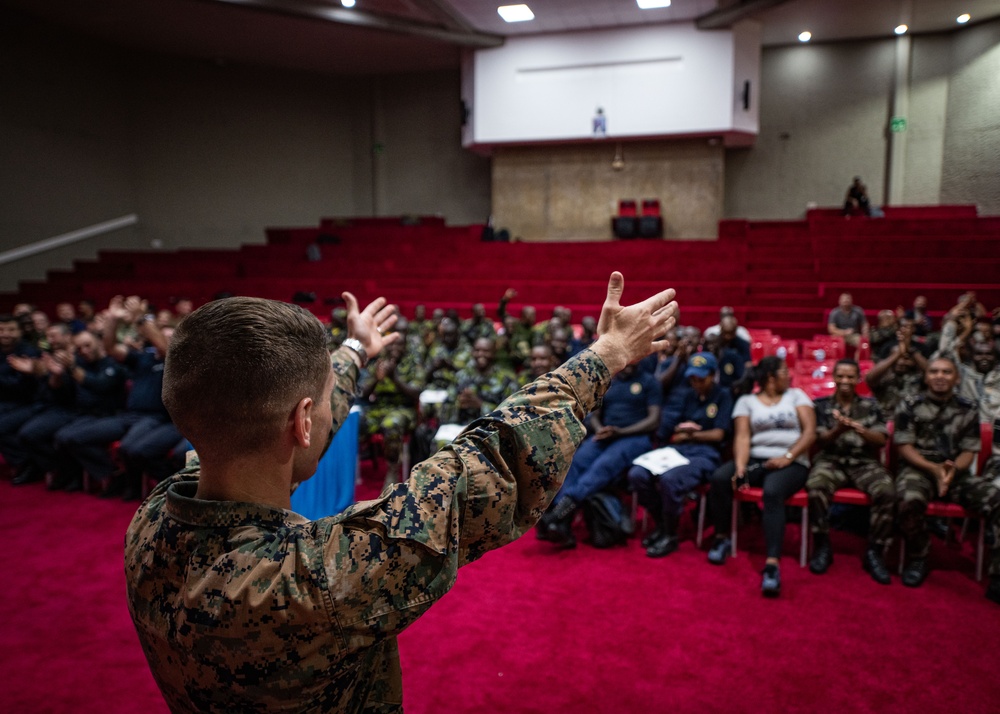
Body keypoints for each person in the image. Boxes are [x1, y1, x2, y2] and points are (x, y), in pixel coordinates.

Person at [124, 274, 678, 712]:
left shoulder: (149, 524)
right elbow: (481, 471)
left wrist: (352, 350)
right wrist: (604, 356)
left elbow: (293, 422)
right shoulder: (314, 581)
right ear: (303, 422)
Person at [705, 356, 816, 597]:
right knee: (720, 479)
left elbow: (809, 433)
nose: (789, 375)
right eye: (784, 371)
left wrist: (788, 457)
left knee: (773, 492)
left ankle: (772, 564)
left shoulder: (797, 396)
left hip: (792, 462)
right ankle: (722, 536)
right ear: (770, 377)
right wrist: (741, 467)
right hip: (758, 459)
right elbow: (743, 437)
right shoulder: (746, 401)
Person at [894, 355, 1000, 602]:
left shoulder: (968, 408)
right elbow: (904, 447)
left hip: (956, 471)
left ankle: (997, 573)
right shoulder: (909, 404)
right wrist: (934, 469)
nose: (939, 377)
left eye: (946, 372)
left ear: (957, 378)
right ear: (926, 376)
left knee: (997, 499)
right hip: (918, 468)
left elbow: (969, 450)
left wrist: (951, 471)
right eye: (934, 372)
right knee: (906, 499)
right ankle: (919, 556)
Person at [538, 360, 662, 549]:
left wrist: (621, 432)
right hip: (607, 435)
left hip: (635, 437)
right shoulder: (608, 382)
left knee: (603, 465)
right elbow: (594, 415)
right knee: (575, 461)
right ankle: (561, 520)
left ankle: (560, 514)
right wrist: (600, 429)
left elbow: (653, 420)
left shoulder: (649, 382)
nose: (627, 364)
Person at [628, 353, 733, 557]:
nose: (696, 383)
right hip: (679, 449)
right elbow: (673, 431)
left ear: (713, 375)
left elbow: (718, 434)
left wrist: (693, 433)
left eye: (701, 379)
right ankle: (662, 523)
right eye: (692, 379)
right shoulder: (687, 394)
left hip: (705, 454)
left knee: (670, 480)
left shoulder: (723, 395)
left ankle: (671, 535)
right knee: (637, 474)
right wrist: (681, 432)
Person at [806, 359, 894, 584]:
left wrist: (858, 428)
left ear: (858, 379)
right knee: (816, 486)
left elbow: (881, 439)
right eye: (841, 376)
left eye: (850, 377)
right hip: (831, 459)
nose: (845, 381)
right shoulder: (820, 405)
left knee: (886, 490)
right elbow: (820, 440)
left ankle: (875, 551)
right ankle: (822, 545)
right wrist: (838, 429)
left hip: (863, 462)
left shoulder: (872, 406)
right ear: (834, 378)